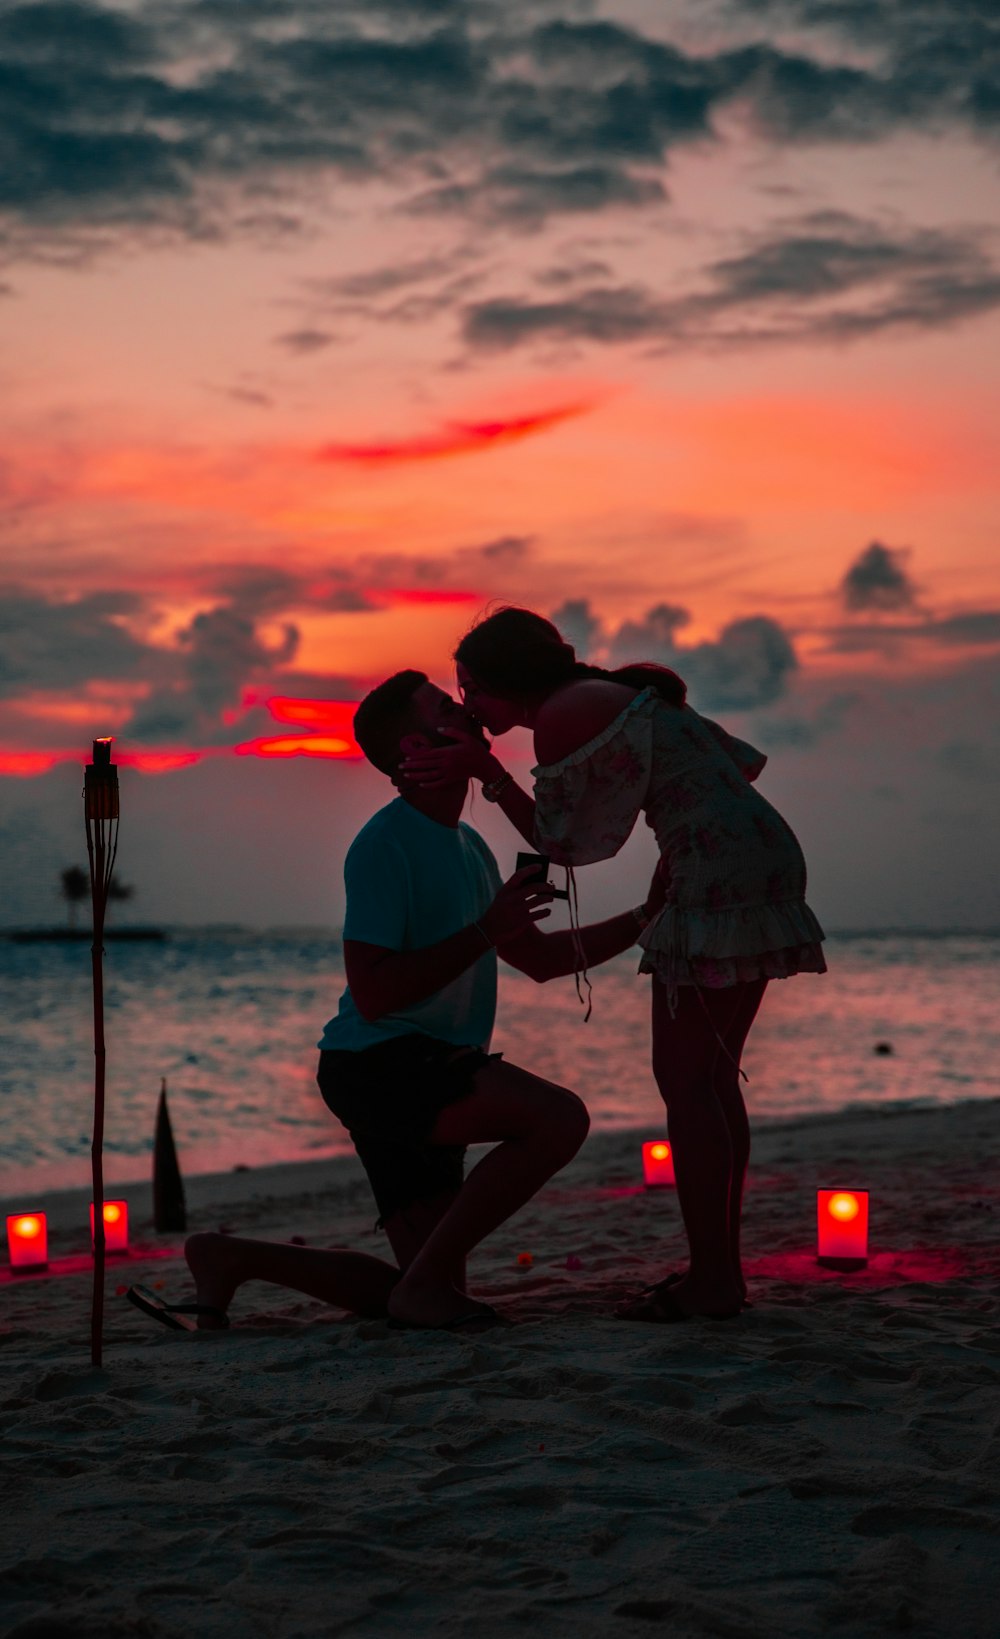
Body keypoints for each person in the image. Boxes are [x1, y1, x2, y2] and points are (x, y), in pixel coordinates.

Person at [129, 668, 664, 1335]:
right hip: (382, 1065)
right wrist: (484, 931)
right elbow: (375, 994)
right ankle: (401, 1280)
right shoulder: (385, 845)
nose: (468, 711)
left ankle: (228, 1255)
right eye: (446, 706)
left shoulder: (470, 847)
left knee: (417, 1286)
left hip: (424, 1062)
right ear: (414, 749)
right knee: (558, 1120)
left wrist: (648, 917)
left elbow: (542, 960)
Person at [399, 608, 827, 1323]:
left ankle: (716, 1279)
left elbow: (564, 843)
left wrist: (488, 773)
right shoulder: (604, 697)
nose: (467, 703)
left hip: (718, 870)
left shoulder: (567, 711)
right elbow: (722, 771)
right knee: (712, 1077)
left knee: (688, 1082)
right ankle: (721, 1270)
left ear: (510, 679)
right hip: (759, 856)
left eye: (470, 687)